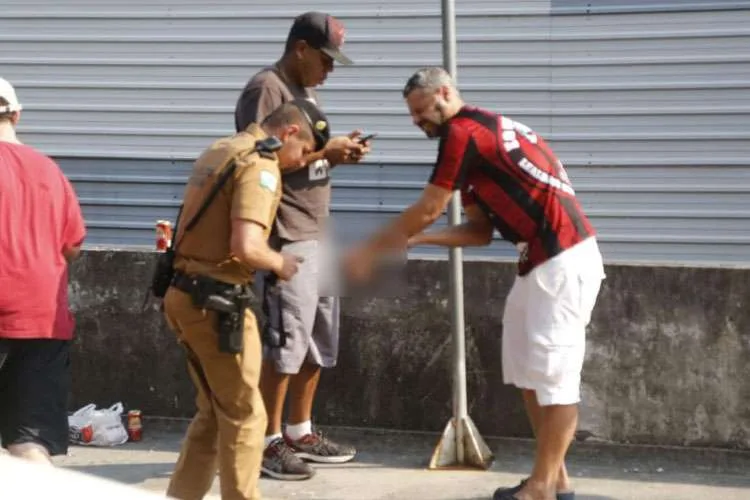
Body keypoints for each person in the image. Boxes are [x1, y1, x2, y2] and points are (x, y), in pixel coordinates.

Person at [344, 67, 606, 500]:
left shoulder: (463, 132)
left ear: (445, 93)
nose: (416, 121)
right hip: (538, 261)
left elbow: (430, 206)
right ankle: (552, 479)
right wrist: (414, 238)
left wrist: (370, 248)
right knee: (527, 372)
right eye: (411, 114)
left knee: (556, 377)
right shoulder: (479, 144)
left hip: (563, 258)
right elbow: (479, 231)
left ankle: (543, 486)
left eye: (421, 110)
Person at [162, 98, 332, 500]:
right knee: (247, 416)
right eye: (304, 151)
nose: (299, 161)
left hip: (184, 294)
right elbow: (247, 247)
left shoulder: (222, 149)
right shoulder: (260, 166)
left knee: (214, 413)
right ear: (290, 132)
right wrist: (281, 262)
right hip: (217, 304)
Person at [234, 11, 368, 481]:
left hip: (317, 230)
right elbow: (255, 160)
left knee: (318, 338)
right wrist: (323, 154)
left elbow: (304, 162)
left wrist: (338, 154)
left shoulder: (306, 95)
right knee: (286, 340)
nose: (329, 70)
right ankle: (268, 441)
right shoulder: (266, 89)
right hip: (285, 234)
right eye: (325, 60)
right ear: (301, 49)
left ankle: (299, 430)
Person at [0, 77, 87, 464]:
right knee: (30, 442)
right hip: (42, 319)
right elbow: (72, 246)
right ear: (16, 115)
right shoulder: (50, 171)